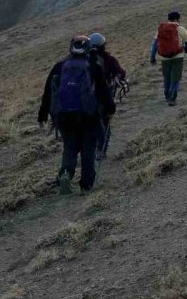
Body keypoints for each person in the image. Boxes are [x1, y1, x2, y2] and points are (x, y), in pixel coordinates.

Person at [37, 35, 115, 195]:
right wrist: (110, 108)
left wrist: (43, 113)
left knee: (70, 147)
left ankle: (66, 173)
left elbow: (48, 91)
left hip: (64, 117)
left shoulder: (60, 65)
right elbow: (103, 90)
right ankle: (86, 186)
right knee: (88, 149)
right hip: (88, 116)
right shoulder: (94, 65)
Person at [88, 32, 126, 158]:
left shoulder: (84, 60)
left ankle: (92, 147)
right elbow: (121, 72)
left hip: (86, 99)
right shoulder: (110, 60)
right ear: (103, 45)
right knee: (104, 122)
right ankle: (101, 148)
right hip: (105, 96)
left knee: (91, 123)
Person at [150, 11, 187, 105]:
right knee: (175, 78)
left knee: (167, 77)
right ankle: (173, 98)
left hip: (164, 58)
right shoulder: (181, 29)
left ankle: (167, 94)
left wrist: (152, 58)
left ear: (168, 18)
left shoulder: (160, 29)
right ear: (177, 19)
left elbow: (155, 44)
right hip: (178, 57)